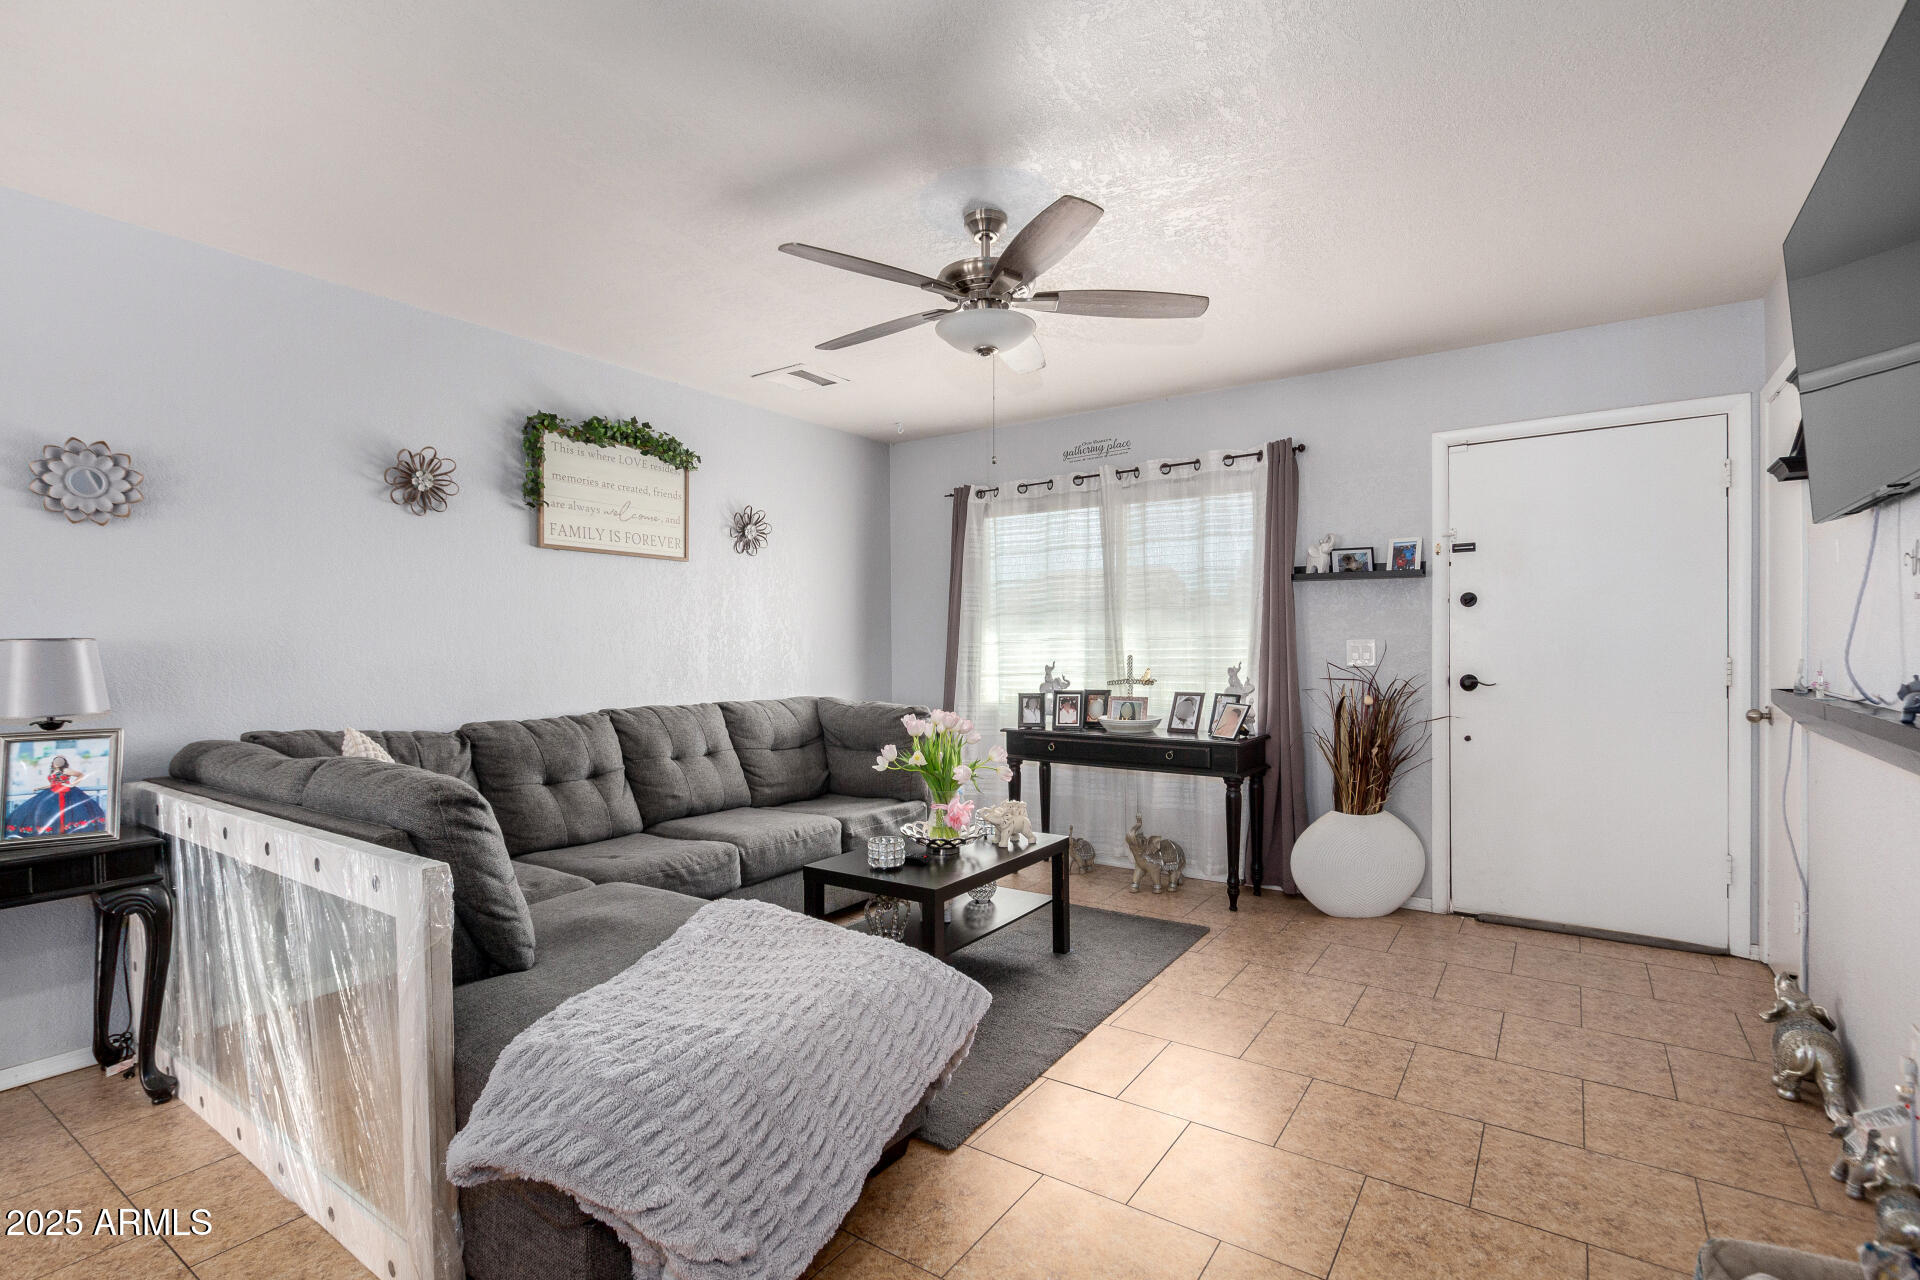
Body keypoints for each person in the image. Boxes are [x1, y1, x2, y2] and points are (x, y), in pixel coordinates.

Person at [6, 754, 110, 839]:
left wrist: (71, 785)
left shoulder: (65, 770)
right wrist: (39, 788)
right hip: (53, 791)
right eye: (56, 761)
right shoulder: (53, 772)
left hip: (66, 792)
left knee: (68, 812)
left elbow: (81, 775)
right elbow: (53, 784)